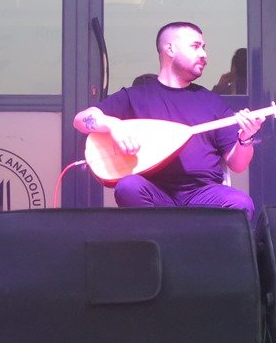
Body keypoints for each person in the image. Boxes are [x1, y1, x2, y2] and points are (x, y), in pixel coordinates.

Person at [74, 22, 262, 220]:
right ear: (170, 49)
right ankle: (156, 238)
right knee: (128, 186)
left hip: (202, 193)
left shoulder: (212, 102)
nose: (204, 54)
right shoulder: (136, 96)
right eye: (195, 46)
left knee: (240, 203)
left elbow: (238, 164)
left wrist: (245, 138)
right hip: (153, 192)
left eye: (204, 48)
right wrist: (114, 126)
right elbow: (80, 120)